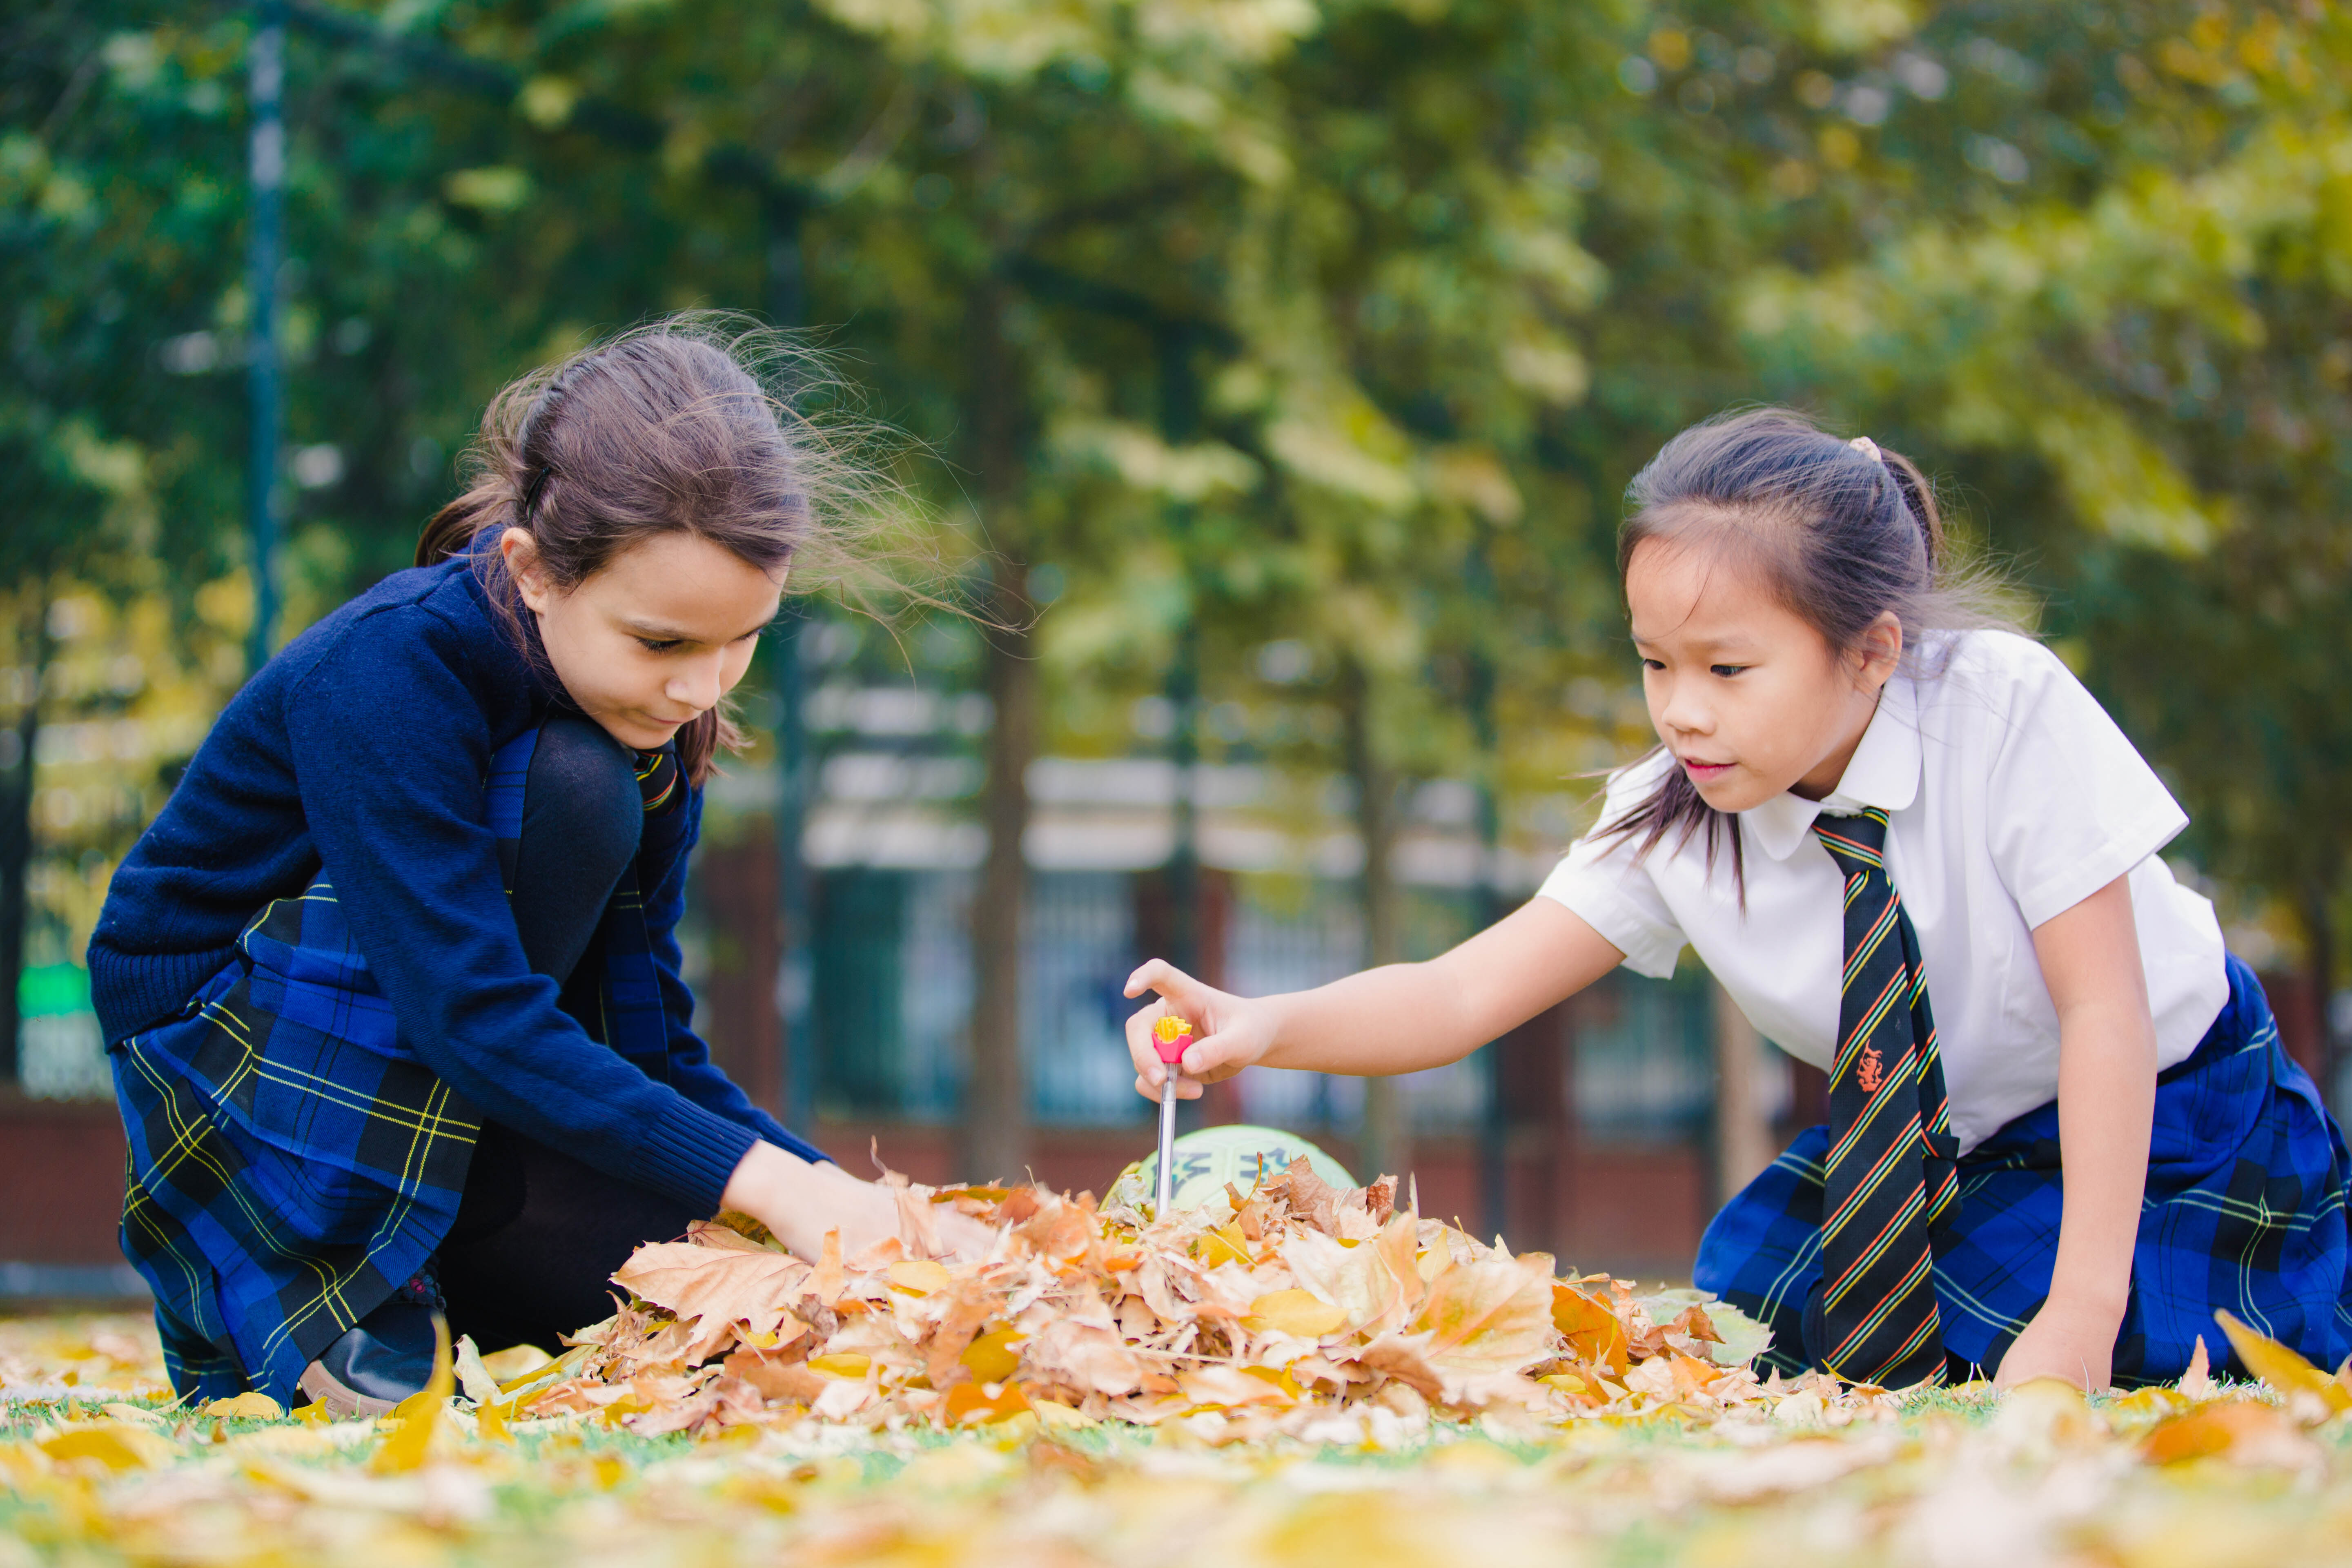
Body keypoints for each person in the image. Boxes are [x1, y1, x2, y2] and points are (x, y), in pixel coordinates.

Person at [1122, 408, 2352, 1391]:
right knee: (1755, 1309)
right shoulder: (1675, 810)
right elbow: (1458, 992)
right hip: (1944, 1145)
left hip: (2177, 1111)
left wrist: (2087, 1309)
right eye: (1654, 661)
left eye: (1727, 668)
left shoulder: (2003, 707)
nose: (1682, 709)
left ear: (1869, 649)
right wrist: (1265, 1025)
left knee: (2060, 1346)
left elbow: (2104, 1017)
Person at [92, 318, 982, 1414]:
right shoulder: (388, 672)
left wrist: (837, 1195)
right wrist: (773, 1185)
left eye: (742, 638)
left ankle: (449, 1255)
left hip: (458, 1059)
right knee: (571, 782)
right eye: (663, 643)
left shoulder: (652, 721)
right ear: (535, 571)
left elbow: (649, 1037)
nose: (704, 686)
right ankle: (332, 1288)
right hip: (242, 1039)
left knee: (717, 1297)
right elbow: (468, 1011)